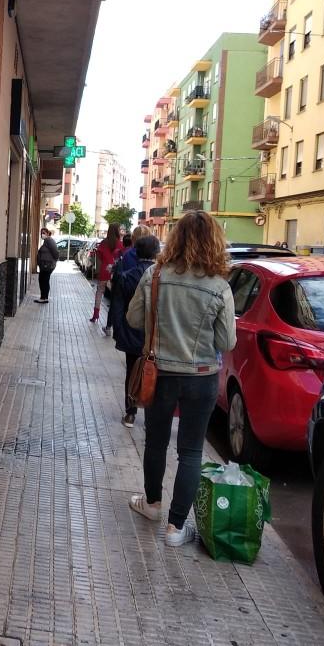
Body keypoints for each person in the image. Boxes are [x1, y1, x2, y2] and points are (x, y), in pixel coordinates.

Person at [125, 211, 236, 547]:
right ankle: (176, 528)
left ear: (175, 239)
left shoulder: (154, 275)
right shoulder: (219, 286)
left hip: (159, 374)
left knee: (155, 441)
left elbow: (133, 318)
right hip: (201, 377)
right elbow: (226, 342)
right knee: (191, 451)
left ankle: (151, 505)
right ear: (214, 242)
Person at [112, 232, 160, 427]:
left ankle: (130, 413)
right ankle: (151, 416)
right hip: (155, 335)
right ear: (156, 253)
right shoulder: (162, 277)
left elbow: (117, 306)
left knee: (132, 372)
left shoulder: (127, 277)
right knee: (154, 373)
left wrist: (118, 331)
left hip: (132, 331)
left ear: (136, 252)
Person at [90, 223, 123, 330]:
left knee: (99, 293)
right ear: (117, 231)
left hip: (104, 271)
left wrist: (98, 270)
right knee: (114, 297)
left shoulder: (104, 243)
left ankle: (95, 314)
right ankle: (111, 321)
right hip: (114, 273)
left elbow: (98, 257)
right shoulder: (120, 244)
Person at [35, 228, 60, 303]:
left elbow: (56, 252)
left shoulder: (49, 241)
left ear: (48, 233)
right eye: (41, 233)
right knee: (44, 280)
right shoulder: (46, 241)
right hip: (44, 265)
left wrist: (52, 261)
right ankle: (44, 297)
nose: (42, 234)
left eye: (44, 233)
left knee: (43, 280)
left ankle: (44, 298)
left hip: (47, 265)